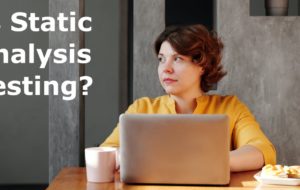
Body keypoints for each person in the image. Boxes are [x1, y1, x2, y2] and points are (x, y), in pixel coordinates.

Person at [101, 24, 276, 172]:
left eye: (177, 59)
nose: (166, 69)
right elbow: (106, 152)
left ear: (203, 66)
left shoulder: (231, 107)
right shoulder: (141, 108)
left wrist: (205, 163)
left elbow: (262, 150)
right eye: (162, 59)